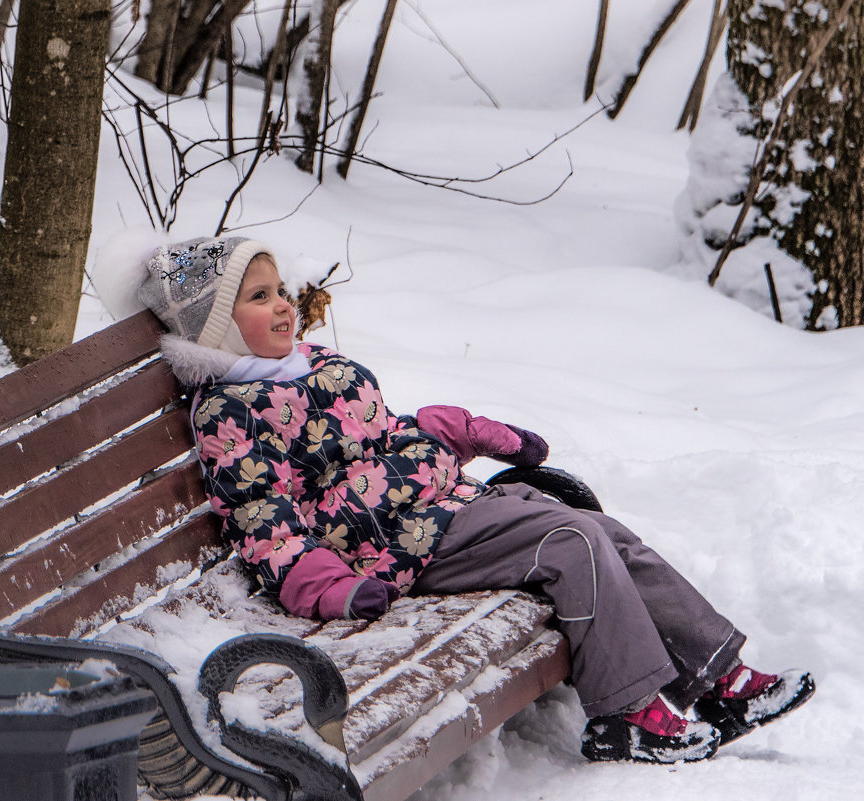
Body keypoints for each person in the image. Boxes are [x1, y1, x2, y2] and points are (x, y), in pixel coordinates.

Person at [104, 234, 815, 764]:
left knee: (596, 528)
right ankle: (625, 712)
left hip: (432, 510)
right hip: (390, 547)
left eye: (280, 288)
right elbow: (261, 516)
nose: (284, 304)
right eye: (257, 298)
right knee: (571, 543)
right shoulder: (232, 408)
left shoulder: (311, 363)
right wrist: (323, 583)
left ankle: (716, 674)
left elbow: (376, 436)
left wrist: (445, 430)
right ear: (215, 325)